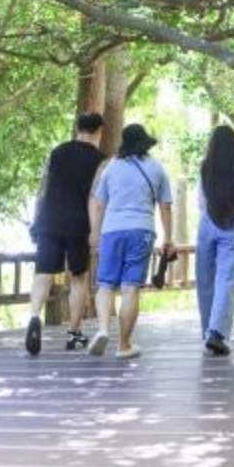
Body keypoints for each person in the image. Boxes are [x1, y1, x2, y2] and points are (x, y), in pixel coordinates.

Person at [88, 123, 175, 359]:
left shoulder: (112, 167)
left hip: (112, 231)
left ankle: (104, 329)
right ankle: (124, 345)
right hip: (141, 231)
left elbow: (98, 203)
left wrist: (95, 233)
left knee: (105, 285)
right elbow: (165, 205)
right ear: (145, 143)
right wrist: (168, 238)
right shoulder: (157, 168)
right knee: (130, 288)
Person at [25, 111, 106, 356]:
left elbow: (43, 189)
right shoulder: (102, 160)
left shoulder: (57, 152)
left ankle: (33, 317)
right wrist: (96, 230)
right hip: (79, 224)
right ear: (99, 132)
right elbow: (98, 198)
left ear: (76, 128)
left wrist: (37, 220)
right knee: (79, 278)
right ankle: (74, 334)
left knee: (43, 274)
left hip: (49, 220)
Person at [195, 125, 234, 356]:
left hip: (208, 223)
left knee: (205, 279)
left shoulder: (206, 167)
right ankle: (216, 333)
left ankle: (207, 331)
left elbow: (200, 201)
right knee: (226, 279)